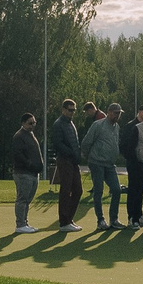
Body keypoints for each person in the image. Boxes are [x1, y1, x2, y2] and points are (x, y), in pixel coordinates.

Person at [81, 104, 123, 228]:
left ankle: (114, 219)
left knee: (116, 190)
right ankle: (100, 220)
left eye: (119, 113)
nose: (117, 115)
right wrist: (89, 157)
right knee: (98, 191)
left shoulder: (117, 127)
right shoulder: (98, 125)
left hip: (110, 164)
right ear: (109, 112)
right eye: (115, 113)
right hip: (97, 162)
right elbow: (86, 142)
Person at [51, 98, 85, 230]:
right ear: (63, 110)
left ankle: (69, 219)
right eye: (70, 110)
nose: (72, 112)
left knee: (78, 190)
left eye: (74, 110)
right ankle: (64, 222)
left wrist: (77, 155)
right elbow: (58, 144)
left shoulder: (70, 123)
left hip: (73, 161)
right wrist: (71, 153)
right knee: (66, 190)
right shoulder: (58, 124)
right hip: (65, 160)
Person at [9, 112, 46, 233]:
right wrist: (30, 164)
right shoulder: (19, 136)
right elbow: (18, 154)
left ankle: (24, 222)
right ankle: (20, 224)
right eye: (30, 123)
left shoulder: (30, 134)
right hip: (23, 172)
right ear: (23, 123)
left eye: (34, 123)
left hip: (33, 173)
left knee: (27, 200)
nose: (33, 125)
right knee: (22, 199)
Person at [121, 104, 143, 227]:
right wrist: (132, 158)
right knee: (133, 190)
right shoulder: (130, 126)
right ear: (140, 112)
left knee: (140, 190)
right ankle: (132, 217)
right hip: (133, 163)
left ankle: (139, 214)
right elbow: (124, 146)